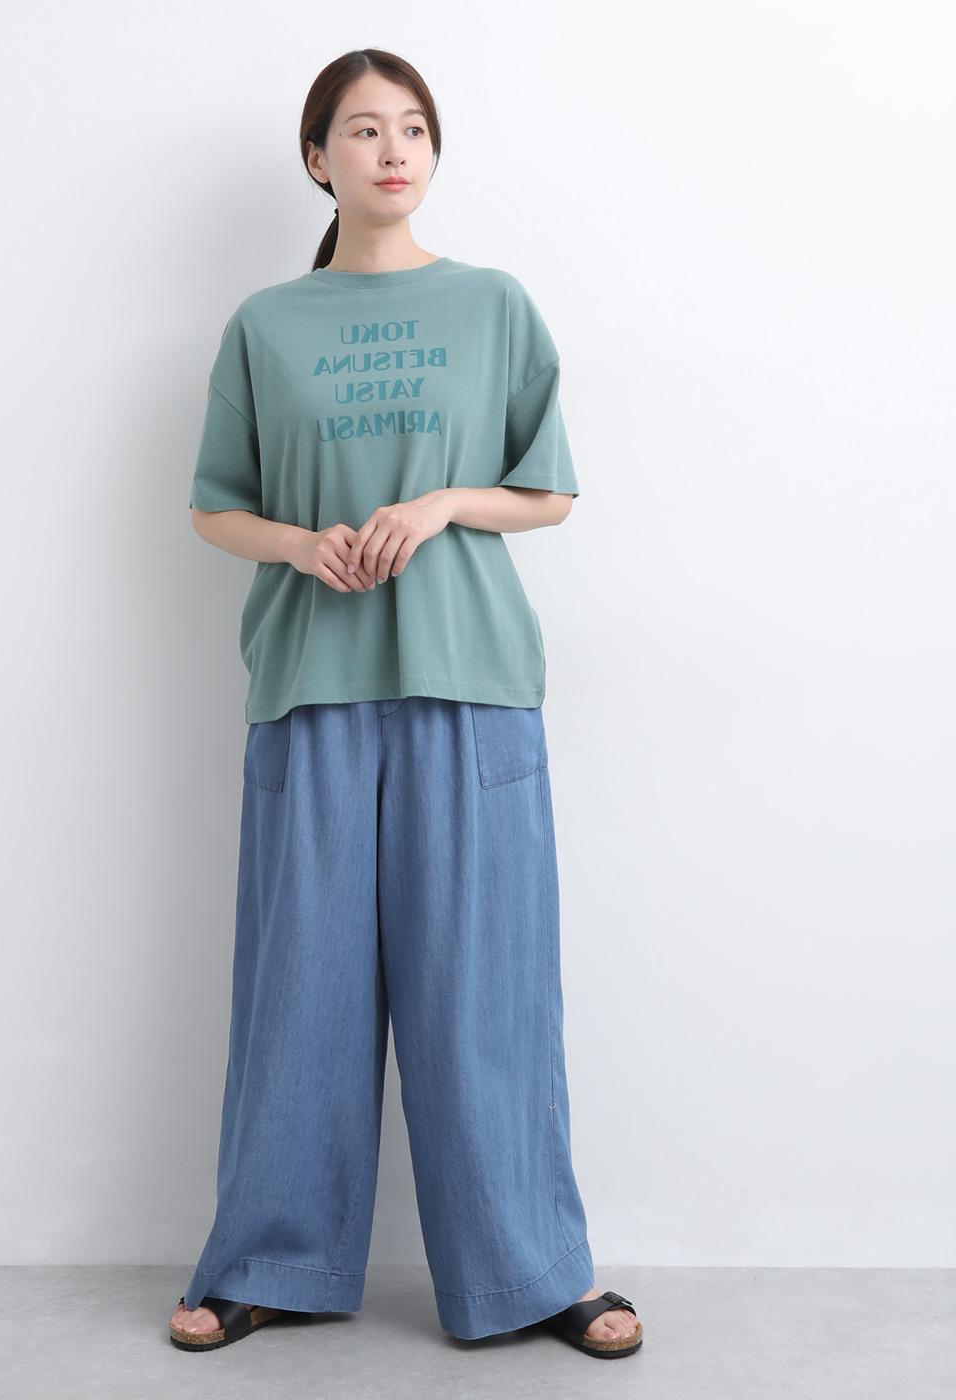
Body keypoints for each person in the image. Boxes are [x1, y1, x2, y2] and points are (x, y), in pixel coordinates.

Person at [168, 48, 643, 1358]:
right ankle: (269, 1264)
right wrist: (299, 543)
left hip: (470, 684)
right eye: (365, 129)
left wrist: (440, 505)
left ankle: (533, 1275)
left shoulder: (493, 305)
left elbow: (548, 490)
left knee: (486, 993)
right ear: (316, 157)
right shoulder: (266, 325)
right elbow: (214, 506)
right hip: (312, 685)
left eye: (415, 128)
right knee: (299, 992)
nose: (393, 150)